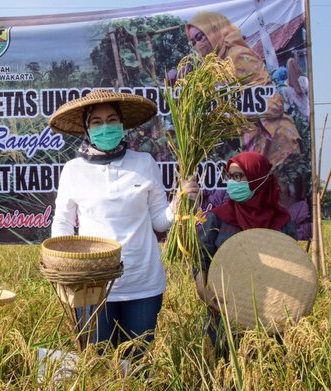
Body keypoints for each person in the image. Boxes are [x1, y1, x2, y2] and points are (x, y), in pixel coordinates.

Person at [48, 89, 198, 359]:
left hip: (142, 282)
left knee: (137, 363)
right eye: (97, 122)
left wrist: (181, 203)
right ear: (86, 128)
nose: (105, 127)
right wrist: (65, 266)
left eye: (112, 120)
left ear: (122, 125)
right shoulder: (73, 170)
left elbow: (160, 221)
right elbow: (62, 223)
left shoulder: (144, 163)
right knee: (96, 364)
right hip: (92, 285)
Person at [195, 152, 296, 352]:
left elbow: (292, 266)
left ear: (259, 179)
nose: (233, 182)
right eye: (230, 176)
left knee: (270, 371)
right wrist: (203, 291)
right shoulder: (217, 219)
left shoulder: (282, 223)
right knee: (227, 370)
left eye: (240, 176)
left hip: (273, 313)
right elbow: (201, 259)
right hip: (225, 311)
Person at [185, 12, 301, 167]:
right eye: (192, 42)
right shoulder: (215, 68)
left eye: (200, 37)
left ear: (214, 32)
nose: (197, 45)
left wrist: (238, 111)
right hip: (253, 145)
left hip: (276, 141)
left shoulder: (237, 56)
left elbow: (274, 102)